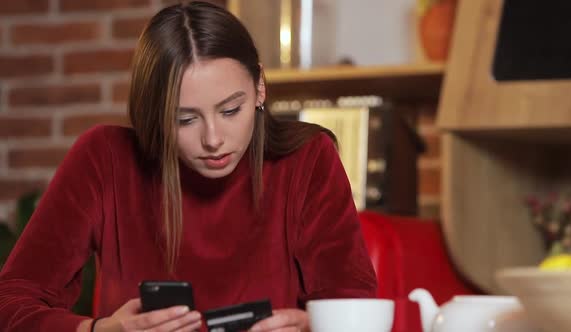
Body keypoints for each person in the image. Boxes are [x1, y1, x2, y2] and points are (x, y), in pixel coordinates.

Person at [0, 1, 377, 331]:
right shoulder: (104, 158)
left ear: (260, 86)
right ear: (155, 113)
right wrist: (99, 331)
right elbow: (11, 303)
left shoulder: (308, 160)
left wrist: (311, 325)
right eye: (185, 119)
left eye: (231, 110)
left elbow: (353, 306)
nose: (213, 138)